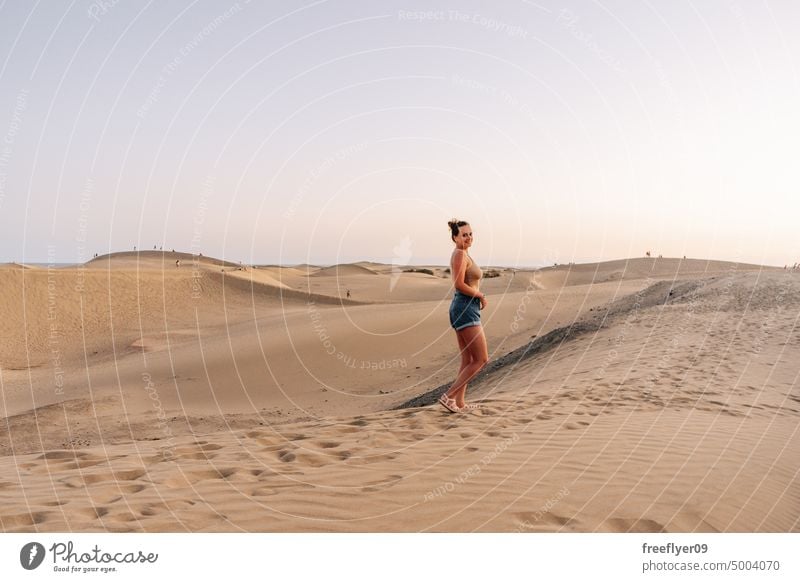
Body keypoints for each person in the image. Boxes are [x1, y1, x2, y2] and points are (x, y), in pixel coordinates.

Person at [438, 219, 489, 413]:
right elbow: (458, 284)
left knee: (468, 360)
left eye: (470, 234)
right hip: (465, 308)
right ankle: (448, 396)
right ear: (455, 238)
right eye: (464, 235)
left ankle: (459, 403)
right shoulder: (459, 254)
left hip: (466, 308)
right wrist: (480, 295)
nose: (468, 237)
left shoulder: (465, 253)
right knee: (481, 359)